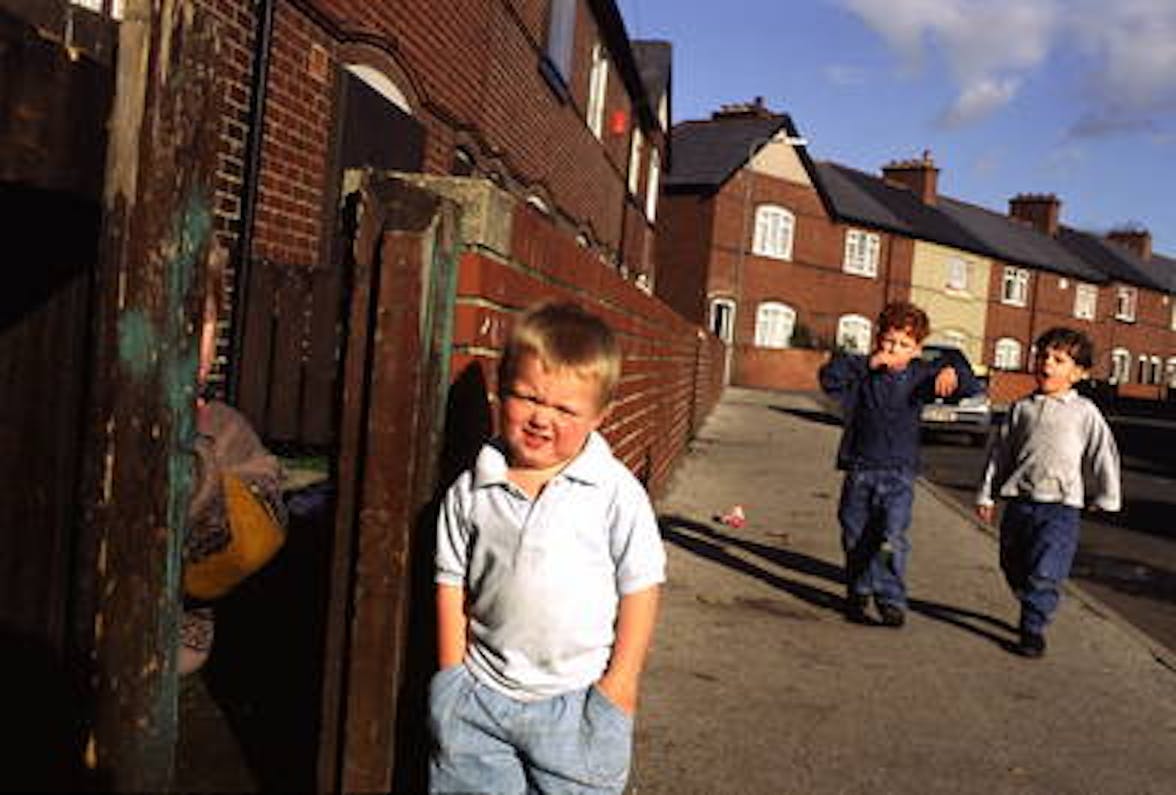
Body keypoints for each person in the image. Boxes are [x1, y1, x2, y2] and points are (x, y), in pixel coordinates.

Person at [429, 300, 665, 795]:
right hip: (480, 700)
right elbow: (451, 581)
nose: (541, 418)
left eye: (564, 409)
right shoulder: (472, 489)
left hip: (576, 706)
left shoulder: (615, 494)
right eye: (526, 397)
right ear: (500, 390)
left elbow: (641, 588)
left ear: (601, 415)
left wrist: (619, 686)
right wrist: (452, 676)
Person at [819, 301, 981, 628]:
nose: (894, 350)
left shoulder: (920, 375)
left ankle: (890, 597)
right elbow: (830, 378)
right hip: (860, 468)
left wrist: (953, 372)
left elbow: (970, 385)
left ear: (917, 350)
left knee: (891, 536)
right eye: (889, 341)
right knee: (855, 535)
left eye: (904, 345)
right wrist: (869, 363)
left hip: (899, 474)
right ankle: (859, 588)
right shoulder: (863, 372)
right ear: (878, 339)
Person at [975, 327, 1120, 658]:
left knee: (1045, 571)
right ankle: (1031, 599)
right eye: (1043, 356)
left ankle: (1033, 629)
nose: (1047, 365)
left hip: (1061, 508)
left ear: (1079, 372)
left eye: (1059, 360)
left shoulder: (1084, 412)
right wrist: (987, 494)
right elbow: (1000, 455)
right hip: (1020, 504)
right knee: (1012, 564)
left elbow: (1103, 453)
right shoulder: (1021, 409)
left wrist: (1106, 496)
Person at [179, 241, 286, 676]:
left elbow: (263, 527)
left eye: (200, 321)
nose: (186, 338)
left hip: (170, 630)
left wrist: (204, 491)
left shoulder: (222, 429)